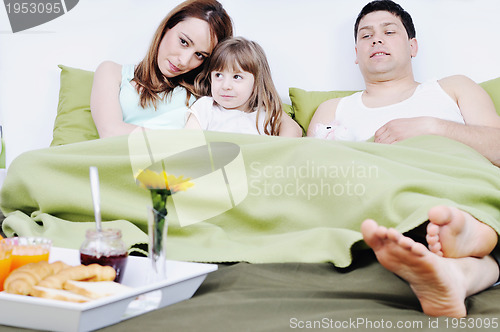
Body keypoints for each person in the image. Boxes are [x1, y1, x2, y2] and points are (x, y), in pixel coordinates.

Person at [307, 0, 500, 318]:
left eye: (388, 31)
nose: (376, 39)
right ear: (356, 55)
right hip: (380, 199)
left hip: (456, 180)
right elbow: (315, 173)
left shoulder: (453, 88)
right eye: (365, 35)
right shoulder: (333, 108)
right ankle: (465, 244)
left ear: (413, 46)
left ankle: (462, 230)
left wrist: (432, 127)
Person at [90, 0, 233, 138]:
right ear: (166, 27)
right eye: (183, 42)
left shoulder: (204, 95)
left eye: (199, 55)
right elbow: (110, 132)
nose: (184, 61)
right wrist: (178, 140)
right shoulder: (112, 72)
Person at [184, 37, 302, 137]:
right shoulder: (206, 107)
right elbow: (189, 143)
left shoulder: (266, 113)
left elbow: (294, 130)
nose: (225, 86)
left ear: (256, 82)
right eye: (218, 75)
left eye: (237, 77)